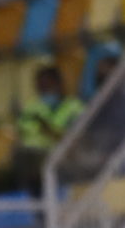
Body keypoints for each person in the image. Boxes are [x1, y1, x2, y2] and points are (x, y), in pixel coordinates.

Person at [11, 63, 80, 193]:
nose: (43, 91)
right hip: (33, 159)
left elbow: (75, 140)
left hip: (64, 158)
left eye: (47, 86)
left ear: (58, 84)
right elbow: (23, 135)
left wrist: (47, 128)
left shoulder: (75, 107)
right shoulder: (31, 108)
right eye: (40, 87)